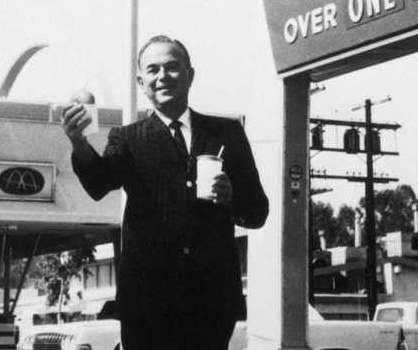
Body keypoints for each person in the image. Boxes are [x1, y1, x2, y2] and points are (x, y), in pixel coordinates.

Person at [62, 35, 269, 350]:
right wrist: (79, 142)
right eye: (153, 69)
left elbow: (257, 212)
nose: (163, 76)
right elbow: (98, 184)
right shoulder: (128, 138)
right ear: (141, 81)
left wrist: (231, 199)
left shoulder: (227, 134)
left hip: (211, 301)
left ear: (190, 74)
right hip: (147, 303)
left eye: (172, 67)